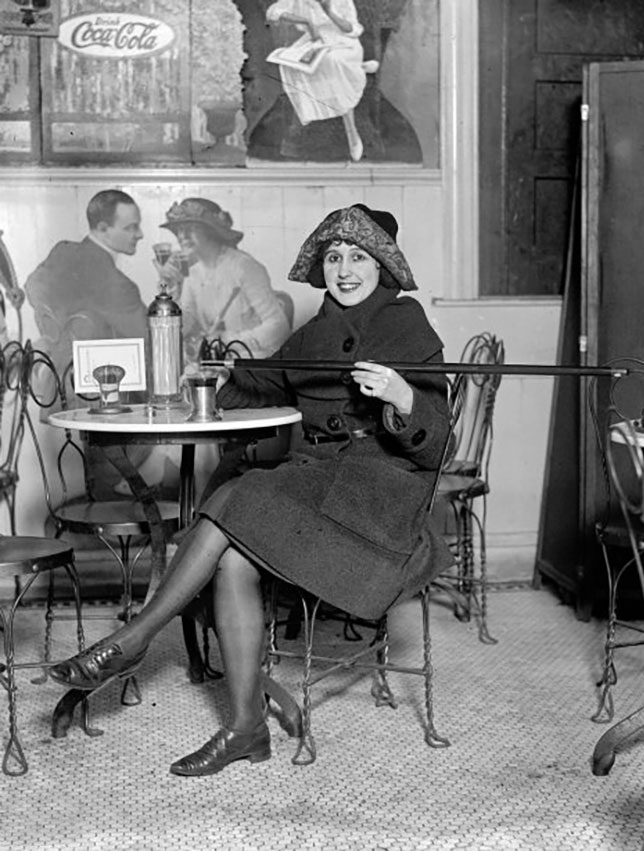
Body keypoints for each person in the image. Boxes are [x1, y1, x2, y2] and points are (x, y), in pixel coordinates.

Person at [49, 203, 454, 777]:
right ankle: (245, 729)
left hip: (379, 501)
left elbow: (437, 447)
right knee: (232, 560)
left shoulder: (406, 323)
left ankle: (134, 638)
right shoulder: (315, 331)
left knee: (231, 503)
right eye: (334, 257)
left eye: (358, 258)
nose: (344, 269)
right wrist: (220, 375)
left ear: (382, 267)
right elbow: (264, 381)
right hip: (318, 486)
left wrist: (403, 397)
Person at [24, 188, 148, 404]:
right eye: (131, 227)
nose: (140, 234)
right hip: (101, 399)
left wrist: (54, 334)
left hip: (56, 386)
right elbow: (150, 340)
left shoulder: (63, 252)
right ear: (103, 229)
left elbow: (32, 286)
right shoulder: (117, 286)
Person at [155, 197, 292, 367]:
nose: (182, 236)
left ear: (210, 230)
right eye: (179, 230)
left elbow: (278, 327)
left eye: (190, 228)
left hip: (252, 366)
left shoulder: (243, 266)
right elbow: (182, 329)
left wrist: (228, 341)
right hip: (215, 366)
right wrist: (168, 291)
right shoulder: (192, 274)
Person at [265, 0, 377, 162]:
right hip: (314, 40)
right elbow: (273, 11)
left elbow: (352, 29)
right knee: (292, 66)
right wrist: (306, 22)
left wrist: (329, 12)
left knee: (333, 62)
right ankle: (357, 70)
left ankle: (351, 132)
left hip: (344, 43)